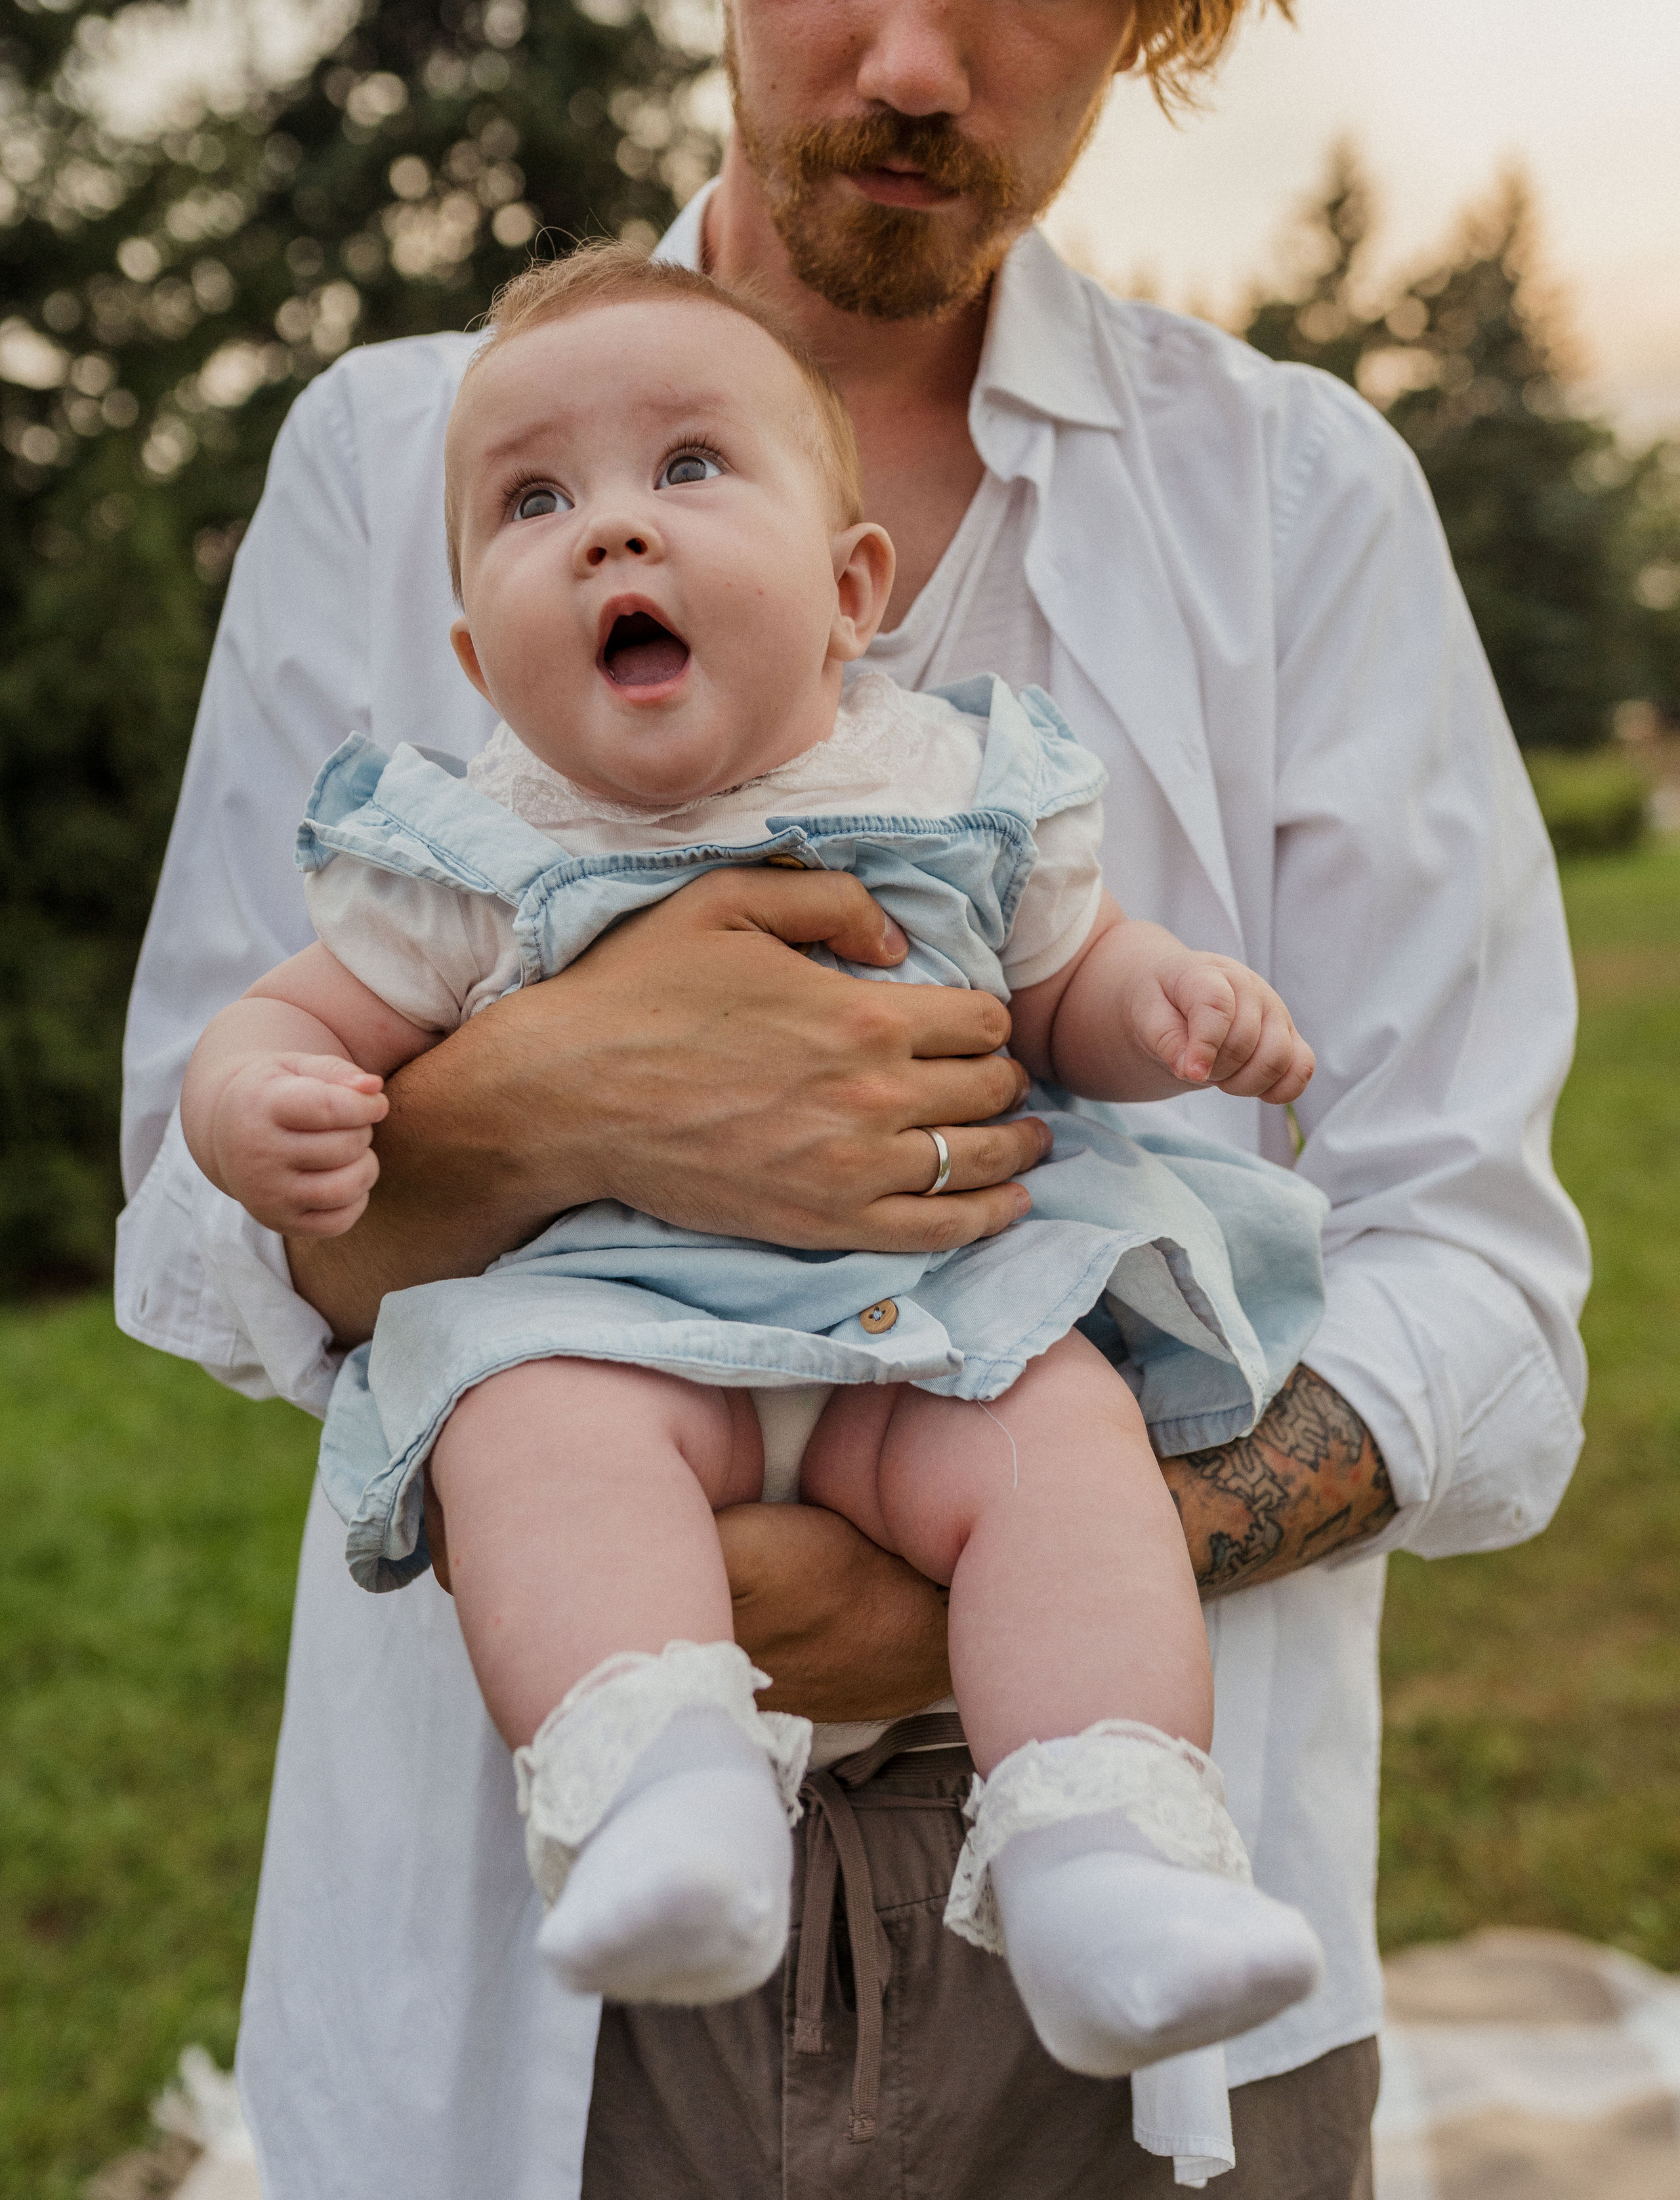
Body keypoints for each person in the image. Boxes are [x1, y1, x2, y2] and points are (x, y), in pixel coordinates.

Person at [116, 0, 1590, 2191]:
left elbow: (1485, 1294)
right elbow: (193, 1227)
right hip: (515, 1958)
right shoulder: (396, 460)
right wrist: (551, 1104)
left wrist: (990, 1580)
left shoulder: (1298, 508)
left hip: (1159, 1979)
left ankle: (1096, 1824)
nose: (916, 53)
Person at [178, 245, 1328, 2115]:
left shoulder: (957, 780)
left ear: (853, 590)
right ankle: (662, 1802)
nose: (612, 531)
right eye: (533, 503)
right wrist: (257, 1101)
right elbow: (280, 1017)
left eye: (689, 469)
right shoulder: (470, 854)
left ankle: (1109, 1858)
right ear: (476, 658)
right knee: (528, 1442)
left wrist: (1171, 1008)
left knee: (1066, 1456)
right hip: (615, 1340)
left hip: (934, 1333)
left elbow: (1069, 983)